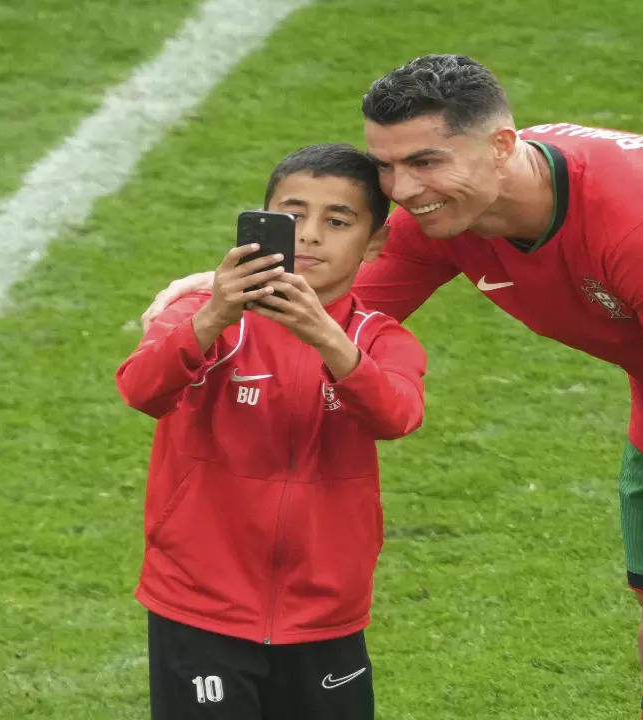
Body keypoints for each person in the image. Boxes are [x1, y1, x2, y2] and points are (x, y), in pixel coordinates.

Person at [141, 55, 643, 720]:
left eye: (426, 162)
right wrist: (215, 296)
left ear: (504, 145)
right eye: (388, 166)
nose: (402, 191)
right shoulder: (448, 214)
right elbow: (349, 308)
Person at [116, 143, 426, 720]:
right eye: (292, 214)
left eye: (337, 221)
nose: (309, 235)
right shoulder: (199, 315)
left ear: (375, 243)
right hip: (199, 605)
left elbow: (397, 415)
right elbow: (140, 390)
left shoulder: (381, 337)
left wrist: (325, 339)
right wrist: (213, 316)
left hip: (324, 610)